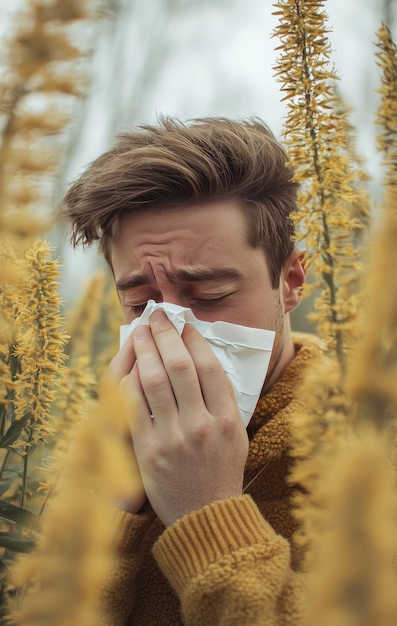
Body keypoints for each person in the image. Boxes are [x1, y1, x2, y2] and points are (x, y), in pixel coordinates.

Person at [62, 117, 322, 625]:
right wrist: (108, 508)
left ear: (290, 281)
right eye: (140, 304)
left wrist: (206, 512)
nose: (174, 329)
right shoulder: (105, 438)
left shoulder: (376, 442)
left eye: (209, 296)